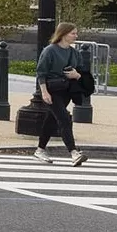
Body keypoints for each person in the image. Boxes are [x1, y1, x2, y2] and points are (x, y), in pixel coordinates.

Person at [31, 21, 90, 166]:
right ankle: (73, 152)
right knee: (64, 118)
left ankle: (40, 149)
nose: (76, 36)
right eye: (73, 33)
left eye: (76, 33)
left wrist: (77, 75)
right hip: (52, 90)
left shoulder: (75, 53)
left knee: (51, 119)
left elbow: (82, 72)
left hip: (66, 91)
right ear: (63, 34)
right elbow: (41, 72)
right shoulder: (49, 51)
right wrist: (44, 92)